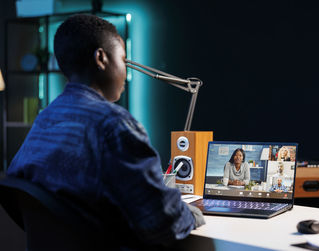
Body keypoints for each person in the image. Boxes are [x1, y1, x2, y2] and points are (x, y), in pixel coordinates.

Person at [6, 14, 204, 250]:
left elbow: (17, 194)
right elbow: (161, 221)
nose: (125, 71)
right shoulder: (114, 124)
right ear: (101, 58)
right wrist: (191, 214)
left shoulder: (45, 119)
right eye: (122, 58)